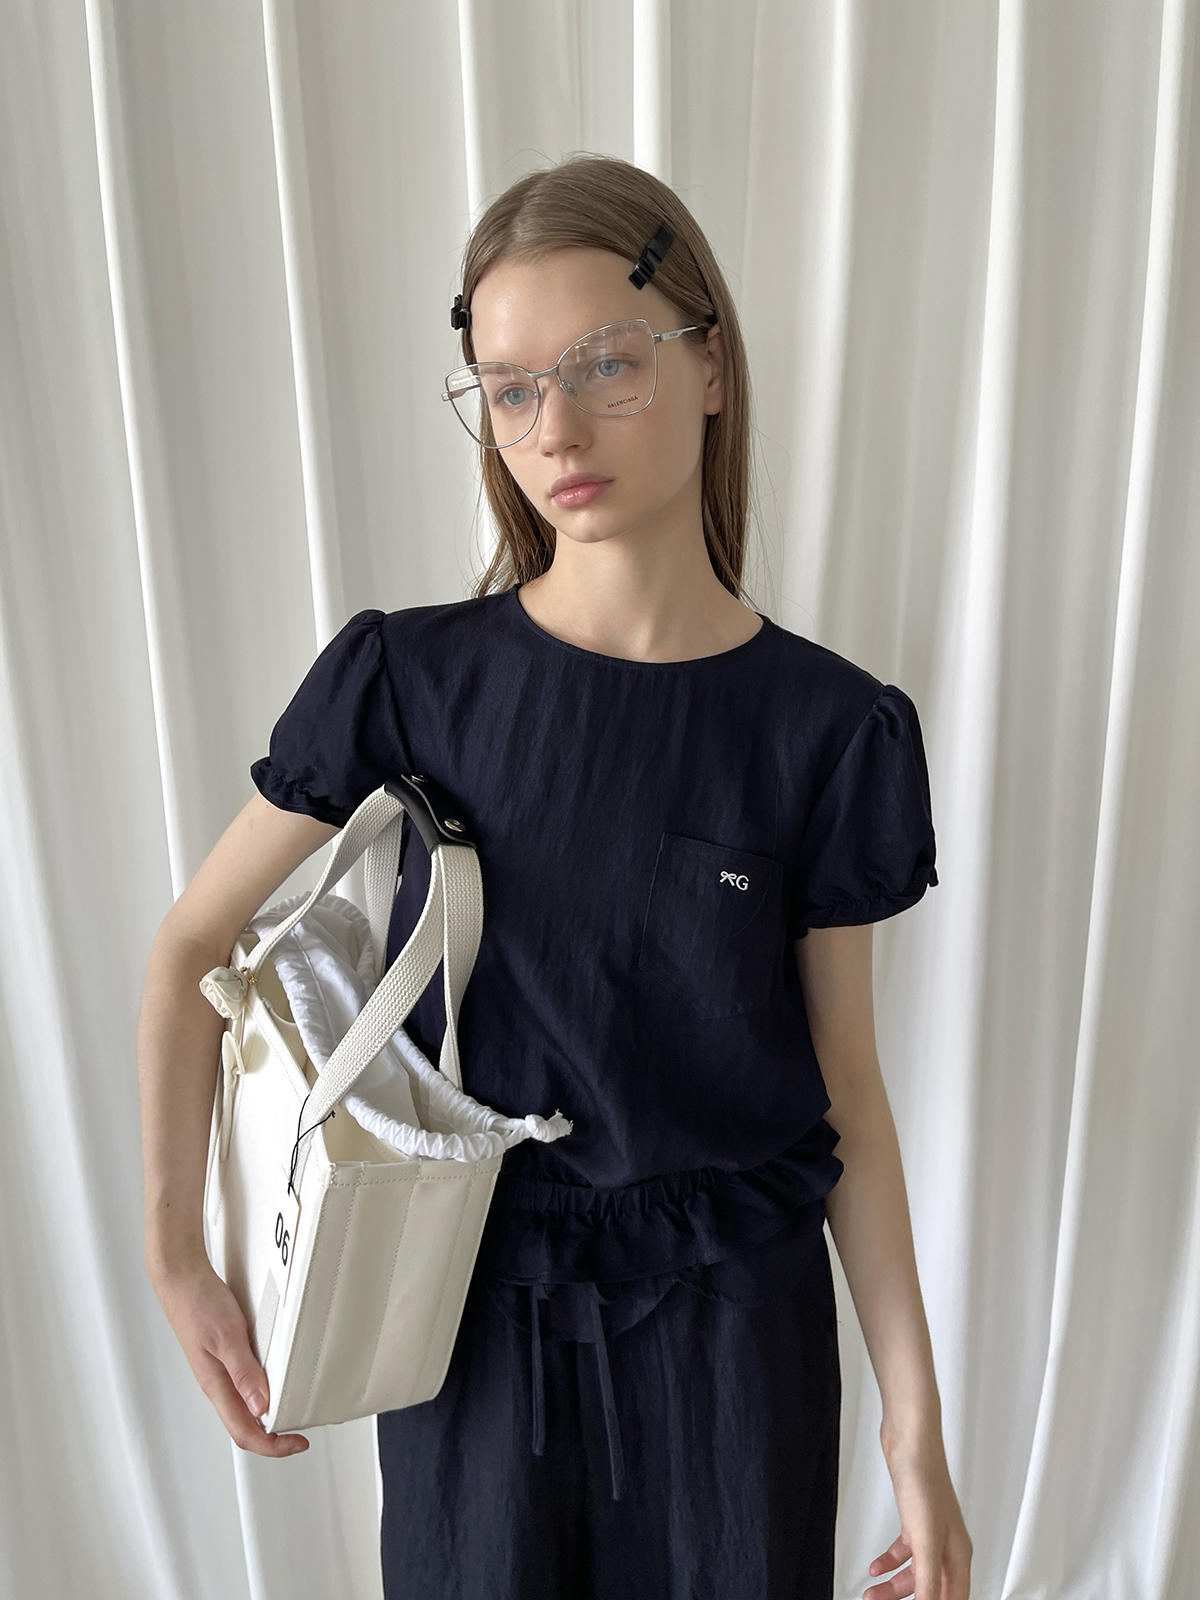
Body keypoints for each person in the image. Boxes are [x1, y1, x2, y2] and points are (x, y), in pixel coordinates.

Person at [138, 154, 973, 1600]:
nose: (556, 430)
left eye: (606, 365)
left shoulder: (831, 730)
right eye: (511, 389)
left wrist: (917, 1420)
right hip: (463, 1318)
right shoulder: (412, 682)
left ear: (711, 367)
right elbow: (192, 946)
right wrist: (175, 1254)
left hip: (737, 1348)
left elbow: (848, 1093)